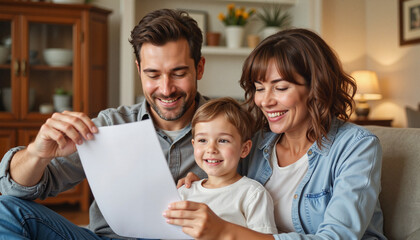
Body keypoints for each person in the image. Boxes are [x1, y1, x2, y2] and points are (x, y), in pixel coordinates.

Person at [0, 9, 208, 239]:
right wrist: (36, 154)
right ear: (139, 70)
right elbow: (14, 190)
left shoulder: (233, 126)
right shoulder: (109, 125)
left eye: (178, 73)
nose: (166, 89)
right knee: (5, 210)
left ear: (199, 68)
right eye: (153, 75)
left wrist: (215, 191)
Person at [165, 28, 387, 239]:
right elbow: (229, 192)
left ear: (316, 87)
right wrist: (204, 185)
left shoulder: (357, 147)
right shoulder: (257, 143)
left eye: (280, 88)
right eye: (259, 88)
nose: (265, 101)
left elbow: (338, 237)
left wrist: (225, 232)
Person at [176, 97, 277, 235]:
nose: (211, 149)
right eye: (202, 140)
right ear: (193, 145)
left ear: (244, 149)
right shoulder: (184, 193)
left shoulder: (253, 194)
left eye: (223, 140)